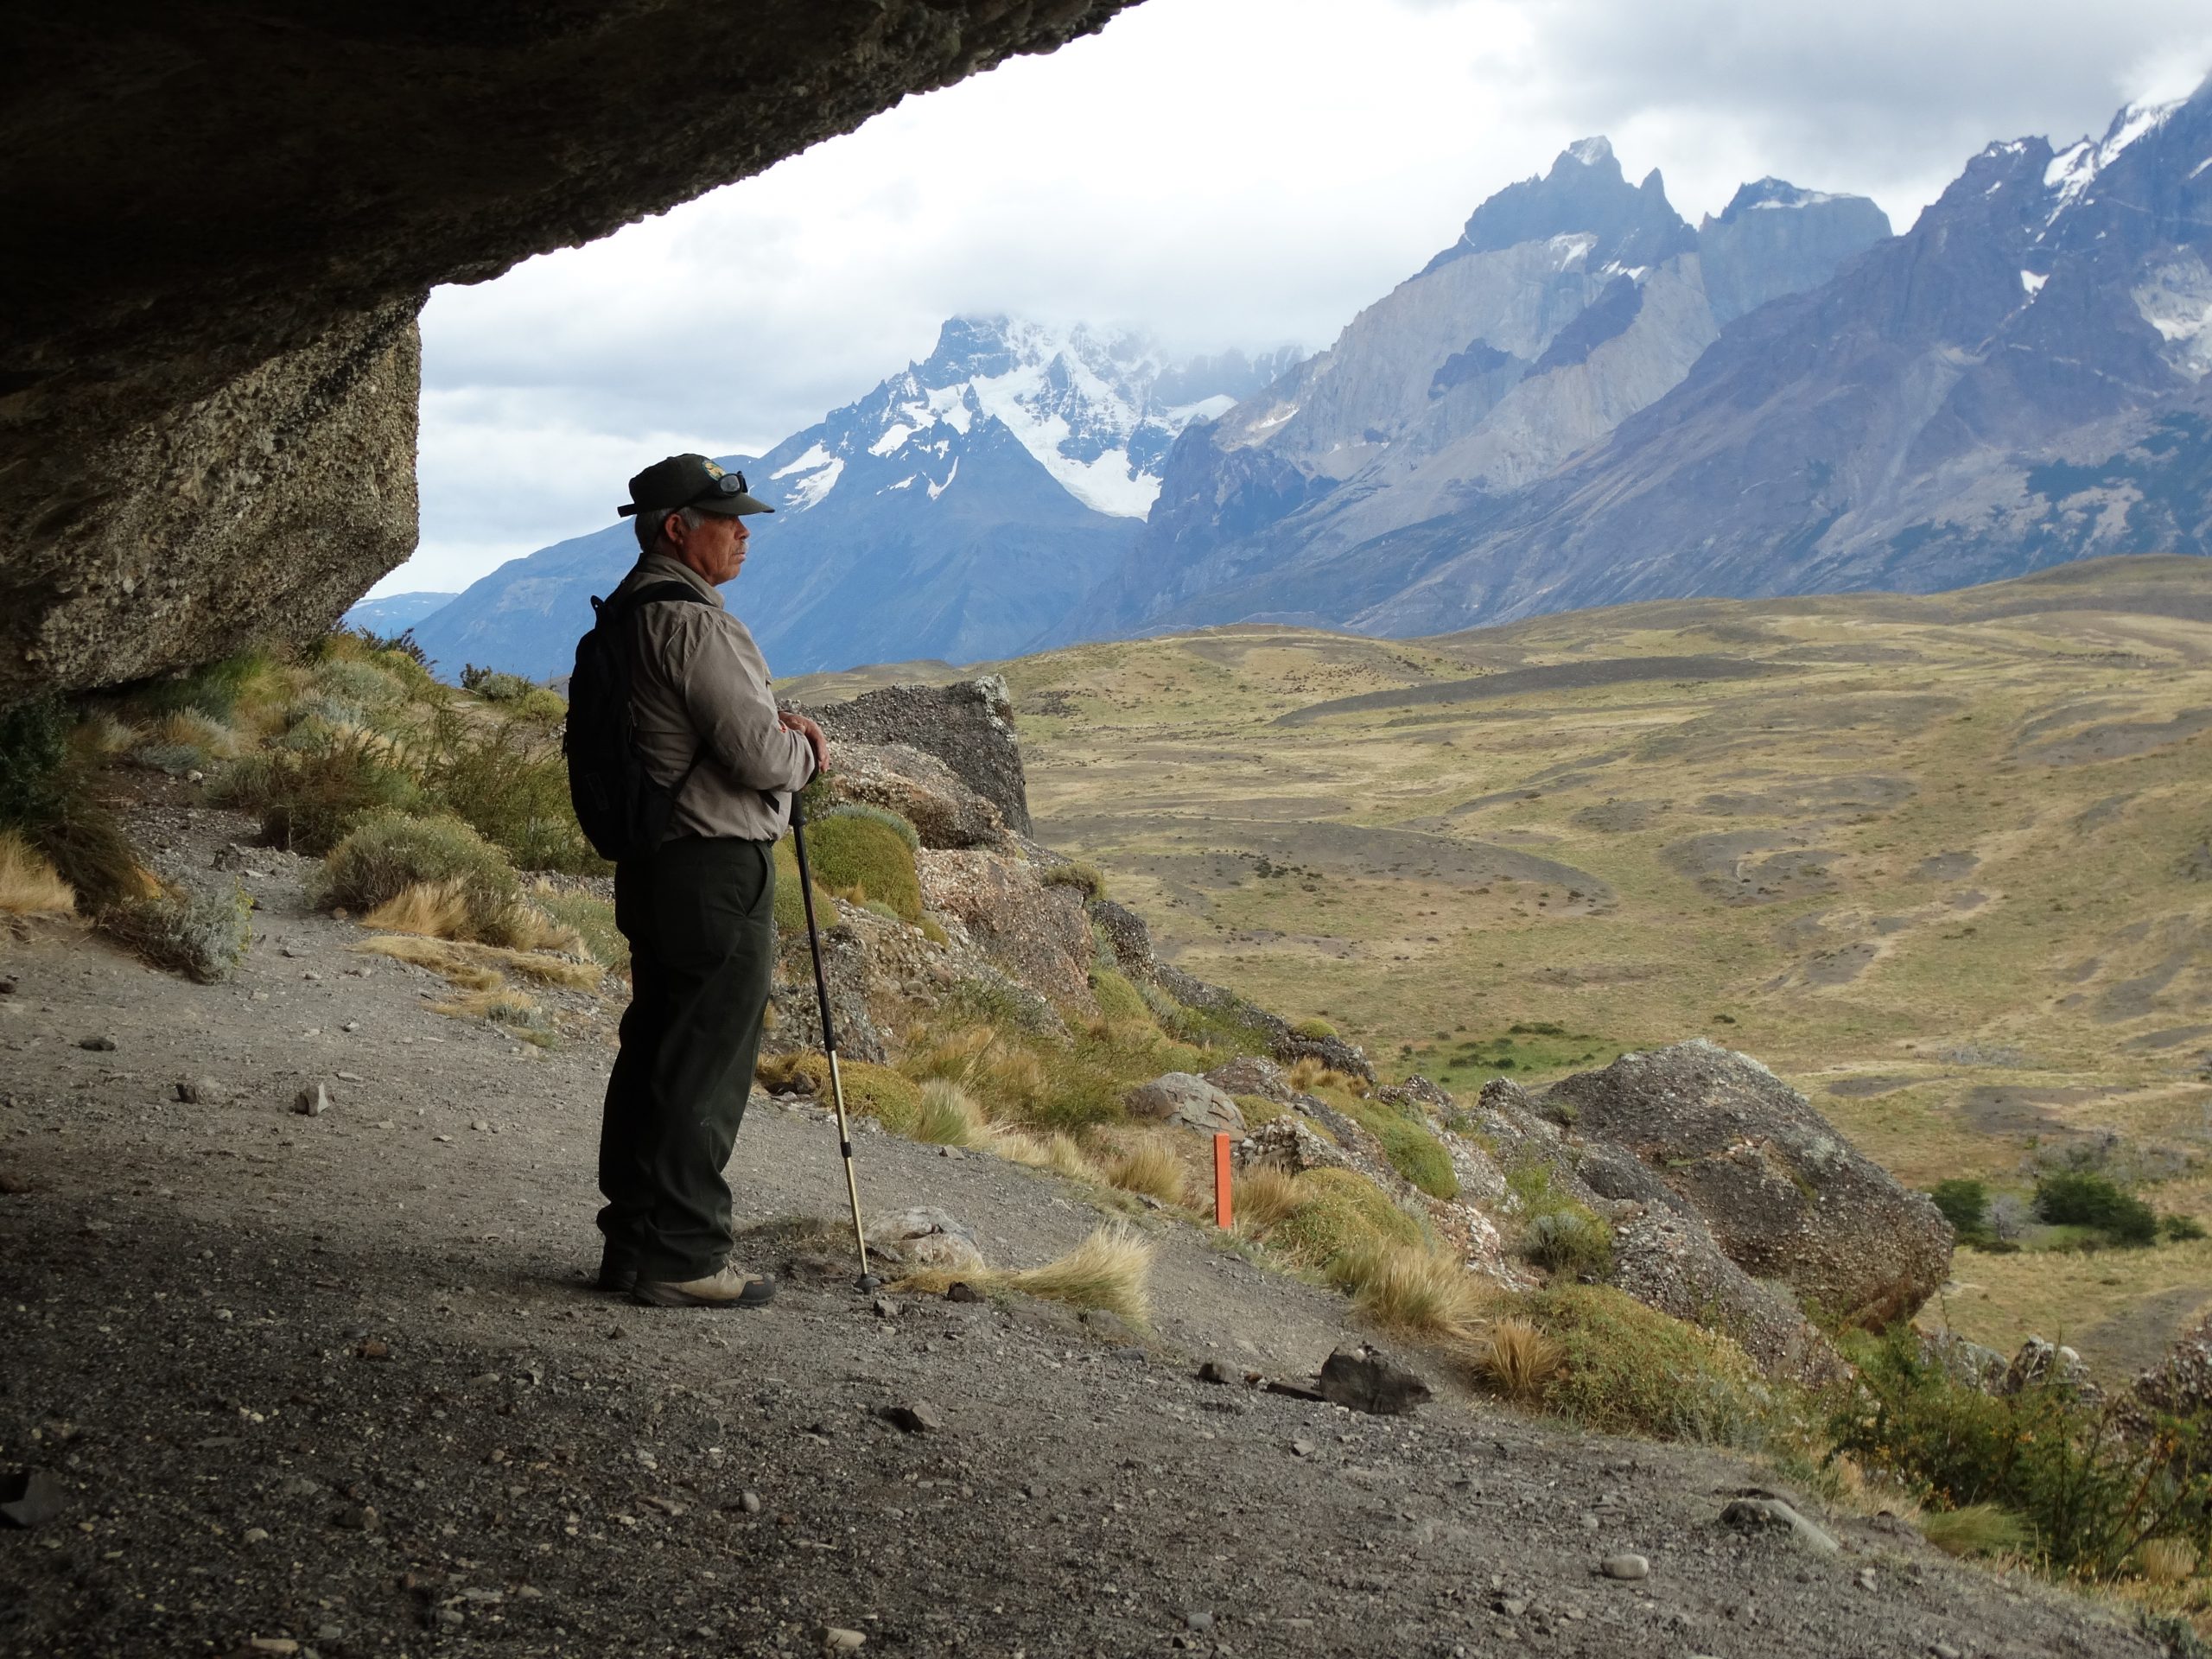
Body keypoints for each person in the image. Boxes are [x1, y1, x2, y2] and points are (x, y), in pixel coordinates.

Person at [594, 453, 829, 1308]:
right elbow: (760, 757)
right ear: (674, 529)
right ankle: (684, 1254)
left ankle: (634, 1241)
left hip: (657, 866)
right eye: (725, 520)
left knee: (656, 1048)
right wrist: (805, 747)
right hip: (714, 869)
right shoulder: (695, 624)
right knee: (707, 1063)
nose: (742, 534)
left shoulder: (628, 614)